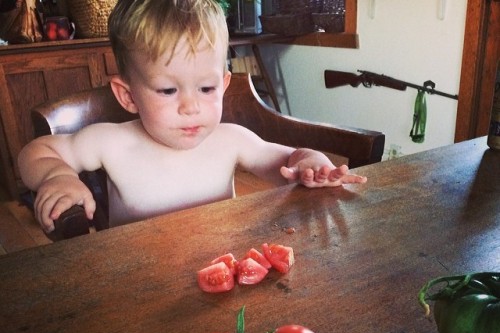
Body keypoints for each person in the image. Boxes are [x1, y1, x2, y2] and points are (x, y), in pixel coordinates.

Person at [18, 0, 367, 234]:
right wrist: (57, 176)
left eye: (206, 89)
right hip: (139, 289)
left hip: (221, 278)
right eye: (169, 91)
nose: (191, 107)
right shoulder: (110, 142)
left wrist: (311, 163)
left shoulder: (231, 139)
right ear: (128, 95)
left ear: (224, 83)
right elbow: (35, 152)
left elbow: (289, 161)